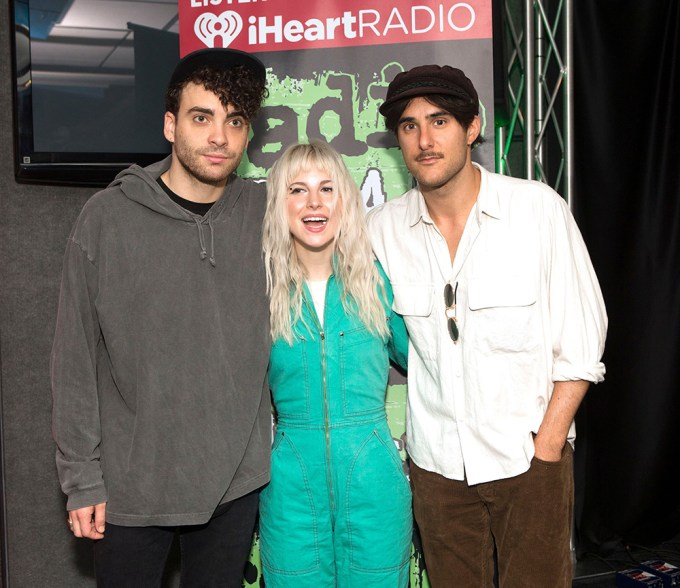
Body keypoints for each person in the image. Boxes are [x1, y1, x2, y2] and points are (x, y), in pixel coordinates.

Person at [367, 64, 607, 587]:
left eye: (439, 121)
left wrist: (547, 449)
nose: (424, 140)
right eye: (409, 126)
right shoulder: (380, 231)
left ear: (472, 127)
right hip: (437, 471)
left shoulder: (536, 210)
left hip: (528, 462)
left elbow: (583, 340)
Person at [50, 48, 271, 587]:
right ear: (171, 125)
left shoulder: (267, 213)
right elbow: (74, 354)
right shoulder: (107, 217)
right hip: (131, 489)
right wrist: (82, 478)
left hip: (234, 485)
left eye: (235, 121)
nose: (219, 136)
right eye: (202, 117)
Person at [259, 141, 412, 587]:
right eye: (298, 190)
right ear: (278, 204)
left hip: (375, 487)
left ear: (344, 200)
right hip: (290, 492)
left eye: (327, 188)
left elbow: (428, 361)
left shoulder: (378, 283)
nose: (314, 203)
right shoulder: (260, 293)